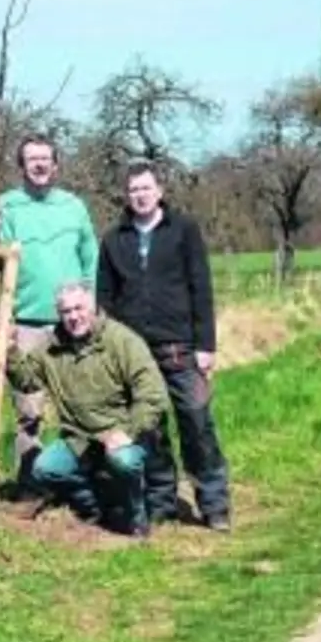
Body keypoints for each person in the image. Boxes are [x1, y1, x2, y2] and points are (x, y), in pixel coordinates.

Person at [96, 162, 234, 532]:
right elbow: (104, 298)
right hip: (135, 353)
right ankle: (162, 501)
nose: (140, 195)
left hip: (181, 348)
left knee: (197, 425)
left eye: (146, 188)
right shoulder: (113, 239)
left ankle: (214, 504)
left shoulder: (184, 230)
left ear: (160, 191)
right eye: (133, 190)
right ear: (126, 196)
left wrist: (206, 345)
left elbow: (200, 288)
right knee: (150, 431)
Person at [0, 133, 99, 498]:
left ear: (56, 164)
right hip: (27, 322)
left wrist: (90, 304)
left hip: (72, 323)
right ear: (22, 166)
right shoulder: (8, 206)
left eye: (46, 158)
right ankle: (30, 485)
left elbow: (90, 256)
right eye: (32, 159)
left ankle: (81, 483)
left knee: (81, 404)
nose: (40, 164)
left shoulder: (74, 206)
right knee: (30, 409)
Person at [4, 281, 170, 538]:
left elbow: (152, 394)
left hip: (121, 432)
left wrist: (128, 432)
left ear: (92, 307)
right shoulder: (51, 346)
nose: (73, 317)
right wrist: (10, 349)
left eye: (78, 308)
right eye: (66, 312)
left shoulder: (122, 340)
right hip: (79, 438)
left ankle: (135, 515)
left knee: (124, 462)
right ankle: (95, 507)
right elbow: (27, 380)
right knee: (45, 468)